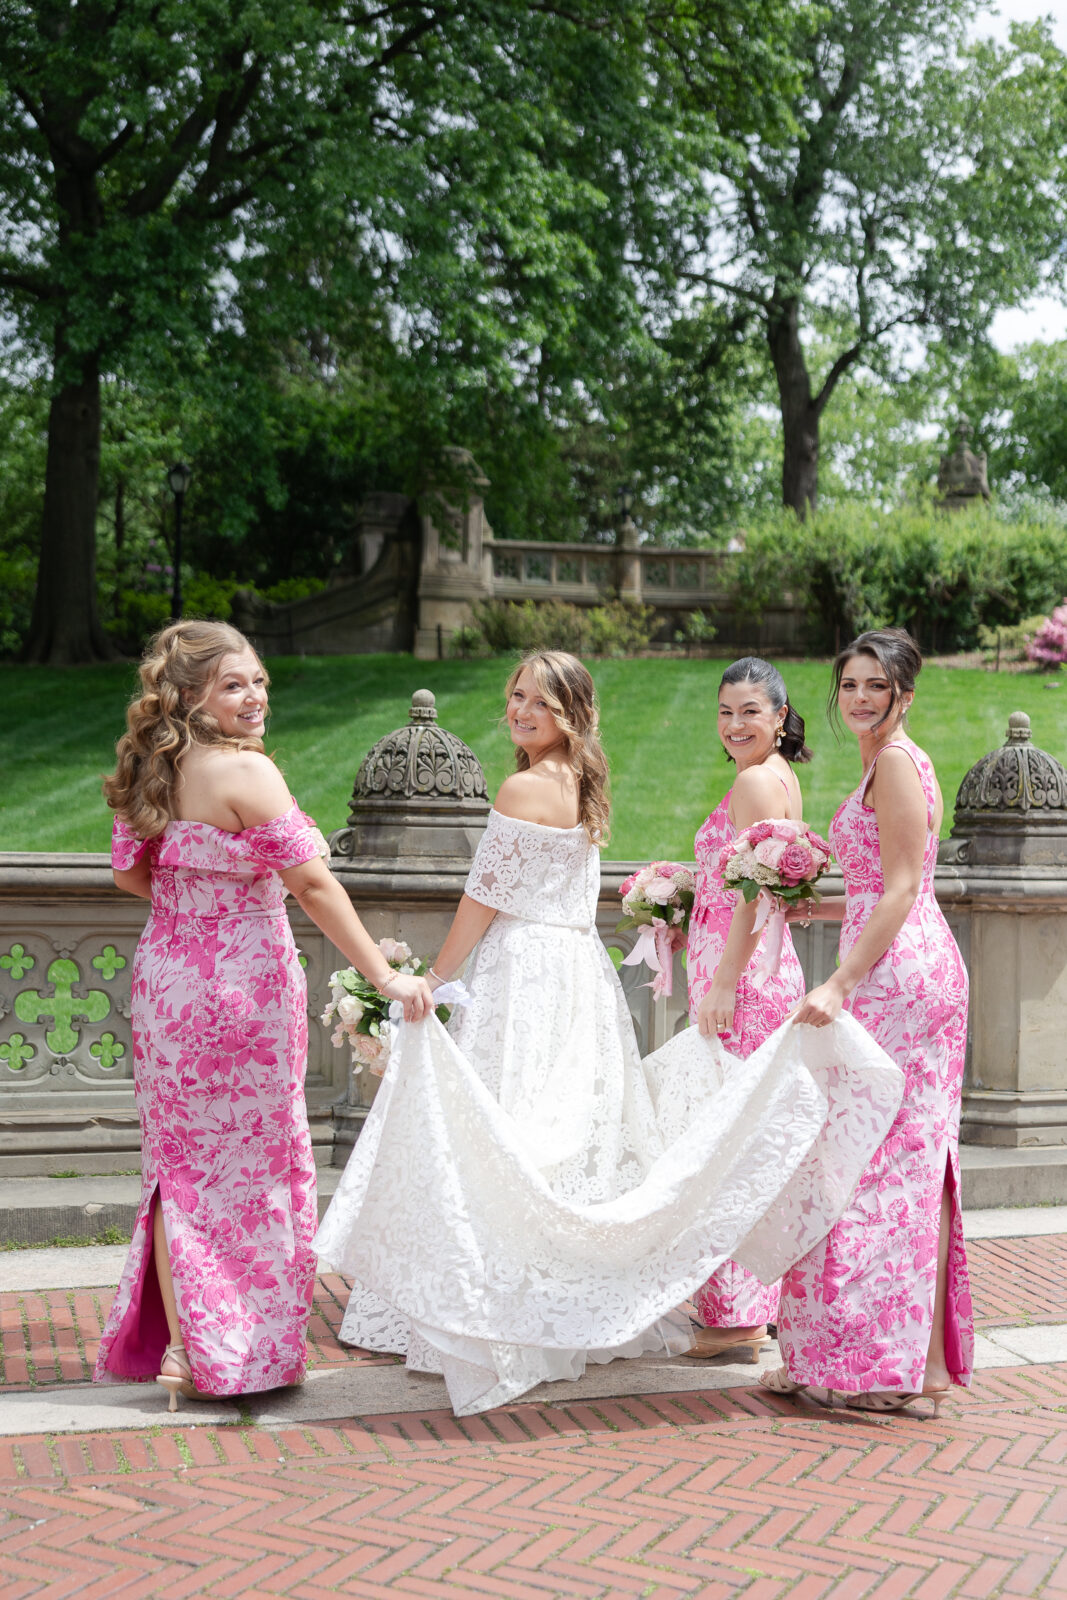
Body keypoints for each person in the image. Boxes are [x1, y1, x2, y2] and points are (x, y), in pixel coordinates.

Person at [314, 650, 905, 1417]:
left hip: (529, 971)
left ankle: (514, 1307)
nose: (520, 711)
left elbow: (482, 898)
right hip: (576, 974)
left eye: (539, 701)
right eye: (515, 697)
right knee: (573, 1133)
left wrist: (433, 979)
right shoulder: (584, 780)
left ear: (569, 713)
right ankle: (622, 1301)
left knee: (512, 1132)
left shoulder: (529, 785)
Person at [93, 621, 433, 1410]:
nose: (256, 699)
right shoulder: (246, 773)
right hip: (239, 991)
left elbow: (128, 878)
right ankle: (238, 1353)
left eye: (260, 684)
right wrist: (380, 974)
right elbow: (314, 887)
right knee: (250, 1171)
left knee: (179, 1175)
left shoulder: (153, 766)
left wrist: (197, 908)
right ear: (189, 696)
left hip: (167, 982)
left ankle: (185, 1352)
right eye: (235, 685)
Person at [761, 629, 973, 1417]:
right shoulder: (881, 764)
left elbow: (902, 887)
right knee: (888, 1159)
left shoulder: (893, 760)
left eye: (873, 687)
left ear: (903, 695)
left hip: (901, 979)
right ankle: (892, 1362)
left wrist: (840, 983)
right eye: (848, 685)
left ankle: (884, 1365)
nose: (857, 698)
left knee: (887, 1163)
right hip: (890, 962)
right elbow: (868, 888)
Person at [684, 658, 811, 1364]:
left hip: (746, 977)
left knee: (731, 1142)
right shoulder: (780, 777)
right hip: (762, 969)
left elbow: (750, 893)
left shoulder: (754, 781)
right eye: (725, 711)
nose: (734, 724)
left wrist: (724, 980)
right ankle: (753, 1307)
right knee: (751, 1136)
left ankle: (733, 1316)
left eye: (750, 711)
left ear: (779, 717)